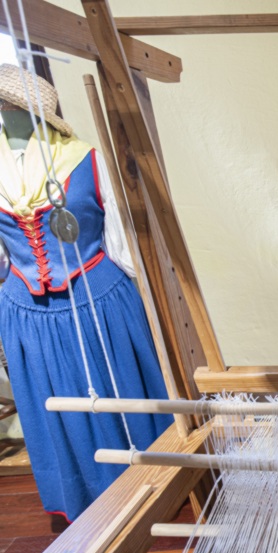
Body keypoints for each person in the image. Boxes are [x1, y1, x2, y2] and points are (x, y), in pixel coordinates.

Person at [0, 63, 171, 523]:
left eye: (8, 107)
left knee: (119, 398)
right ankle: (84, 503)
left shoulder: (87, 160)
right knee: (57, 417)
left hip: (97, 300)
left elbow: (122, 242)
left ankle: (147, 490)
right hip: (26, 315)